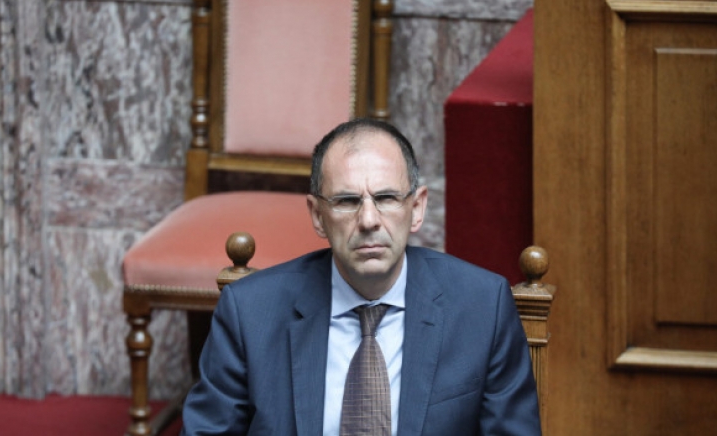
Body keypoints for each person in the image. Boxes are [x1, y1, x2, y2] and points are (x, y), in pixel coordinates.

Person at [180, 118, 540, 435]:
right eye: (347, 201)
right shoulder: (250, 312)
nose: (368, 221)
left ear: (417, 208)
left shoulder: (483, 307)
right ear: (318, 216)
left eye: (386, 197)